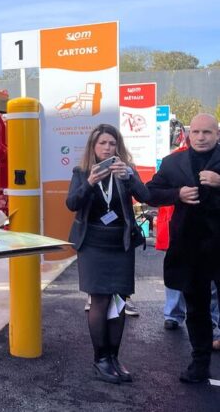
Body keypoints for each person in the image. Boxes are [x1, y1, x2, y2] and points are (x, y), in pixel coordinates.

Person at [66, 124, 150, 384]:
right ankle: (100, 360)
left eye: (112, 144)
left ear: (118, 147)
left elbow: (146, 195)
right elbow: (72, 204)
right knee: (100, 300)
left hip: (119, 243)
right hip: (93, 243)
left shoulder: (126, 171)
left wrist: (130, 178)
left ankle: (113, 357)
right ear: (94, 146)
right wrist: (90, 183)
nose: (107, 148)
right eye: (102, 143)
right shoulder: (82, 172)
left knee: (120, 300)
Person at [147, 113, 220, 383]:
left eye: (207, 133)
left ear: (217, 135)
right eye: (196, 132)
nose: (201, 137)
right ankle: (199, 363)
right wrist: (176, 194)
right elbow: (150, 192)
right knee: (196, 309)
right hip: (190, 250)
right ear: (189, 134)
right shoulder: (172, 162)